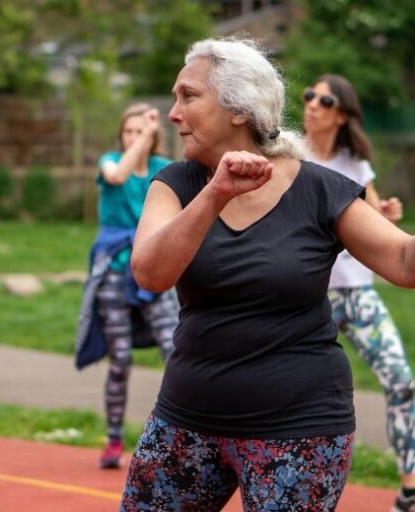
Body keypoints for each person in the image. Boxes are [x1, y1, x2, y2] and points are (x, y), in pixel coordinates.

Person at [121, 37, 415, 512]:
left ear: (239, 108)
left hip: (300, 432)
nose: (173, 113)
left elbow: (403, 262)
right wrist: (214, 195)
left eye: (189, 96)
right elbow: (150, 273)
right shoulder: (176, 183)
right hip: (187, 421)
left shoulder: (321, 189)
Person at [303, 73, 415, 512]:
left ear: (342, 115)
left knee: (403, 382)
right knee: (299, 397)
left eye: (324, 99)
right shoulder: (287, 156)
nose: (312, 103)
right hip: (310, 297)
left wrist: (381, 214)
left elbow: (372, 223)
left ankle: (410, 486)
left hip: (356, 294)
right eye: (309, 95)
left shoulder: (355, 165)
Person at [75, 103, 178, 469]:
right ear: (121, 135)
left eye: (141, 131)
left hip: (153, 269)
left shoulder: (162, 169)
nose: (134, 137)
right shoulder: (110, 161)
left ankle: (175, 440)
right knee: (119, 361)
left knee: (174, 352)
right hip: (115, 272)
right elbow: (118, 175)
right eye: (129, 131)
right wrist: (147, 135)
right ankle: (113, 438)